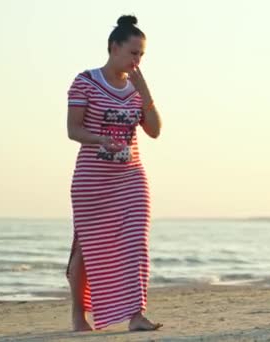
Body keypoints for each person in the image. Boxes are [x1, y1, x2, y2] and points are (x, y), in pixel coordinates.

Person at [65, 15, 162, 332]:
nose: (137, 60)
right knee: (86, 247)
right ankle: (79, 315)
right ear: (113, 47)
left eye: (141, 55)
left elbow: (155, 131)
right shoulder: (85, 82)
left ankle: (136, 315)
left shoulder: (137, 90)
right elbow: (73, 129)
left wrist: (145, 91)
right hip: (93, 179)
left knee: (136, 241)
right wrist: (99, 139)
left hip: (130, 177)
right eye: (133, 53)